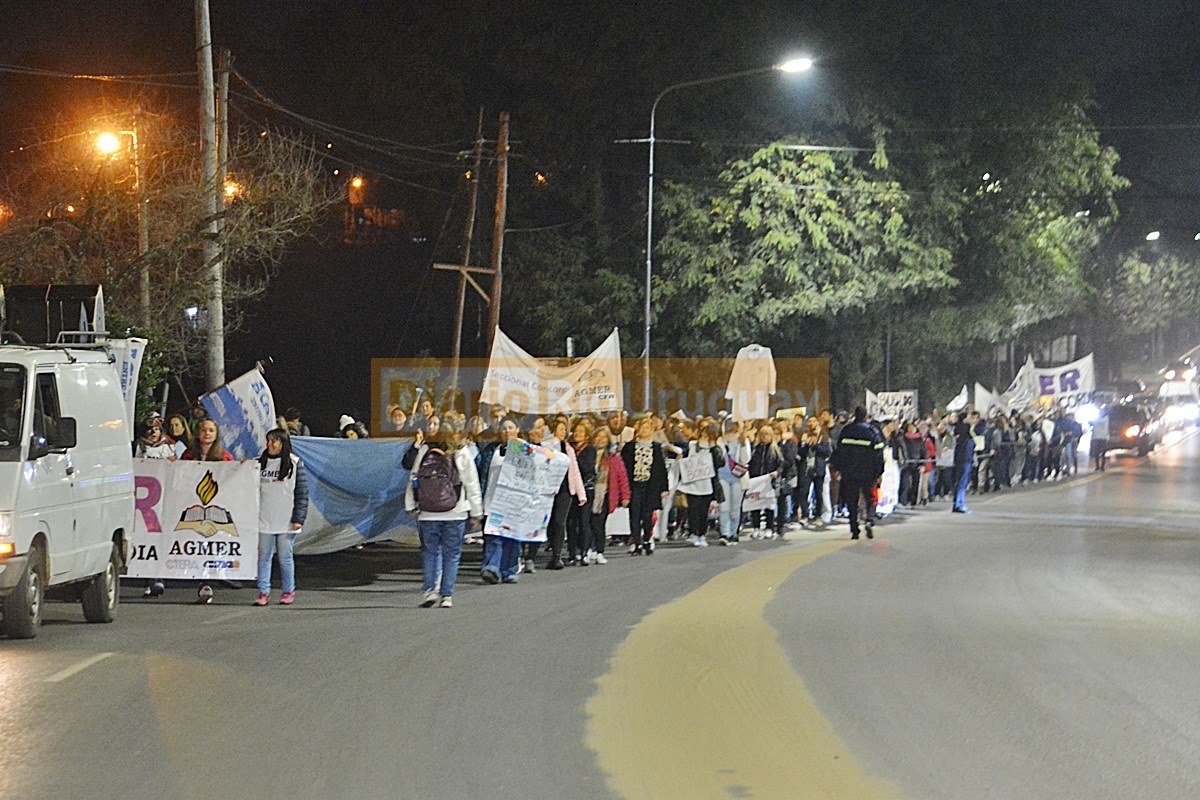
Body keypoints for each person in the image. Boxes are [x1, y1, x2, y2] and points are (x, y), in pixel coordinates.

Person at [405, 415, 483, 608]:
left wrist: (410, 504)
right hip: (455, 510)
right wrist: (476, 512)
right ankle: (446, 595)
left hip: (428, 512)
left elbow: (413, 478)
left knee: (430, 552)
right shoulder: (460, 450)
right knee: (452, 553)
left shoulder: (425, 449)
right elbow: (471, 482)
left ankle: (430, 590)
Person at [254, 429, 309, 606]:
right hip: (264, 520)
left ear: (283, 443)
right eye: (268, 441)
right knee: (264, 557)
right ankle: (263, 592)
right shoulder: (258, 464)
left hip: (286, 522)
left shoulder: (294, 463)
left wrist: (298, 518)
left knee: (285, 557)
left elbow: (302, 493)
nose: (270, 445)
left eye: (274, 441)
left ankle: (288, 590)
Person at [829, 406, 885, 539]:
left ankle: (854, 529)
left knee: (851, 501)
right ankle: (870, 520)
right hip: (868, 473)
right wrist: (879, 472)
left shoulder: (846, 430)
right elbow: (879, 454)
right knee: (871, 498)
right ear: (865, 416)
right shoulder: (873, 432)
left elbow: (839, 451)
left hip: (849, 473)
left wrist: (837, 468)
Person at [478, 417, 523, 584]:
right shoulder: (491, 450)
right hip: (492, 500)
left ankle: (508, 570)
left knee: (511, 537)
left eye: (511, 427)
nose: (507, 431)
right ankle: (491, 568)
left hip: (514, 501)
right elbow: (483, 473)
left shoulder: (525, 451)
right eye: (504, 428)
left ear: (517, 429)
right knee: (493, 536)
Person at [621, 416, 668, 555]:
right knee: (634, 514)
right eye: (641, 427)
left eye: (647, 428)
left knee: (647, 515)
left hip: (650, 486)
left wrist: (664, 488)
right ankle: (636, 542)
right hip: (634, 485)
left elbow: (661, 469)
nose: (644, 430)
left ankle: (647, 538)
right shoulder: (629, 447)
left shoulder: (656, 448)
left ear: (652, 430)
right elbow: (624, 468)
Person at [678, 423, 724, 547]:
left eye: (707, 436)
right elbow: (684, 460)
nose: (703, 438)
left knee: (703, 512)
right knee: (693, 511)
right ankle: (693, 533)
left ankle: (702, 534)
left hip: (707, 486)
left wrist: (714, 447)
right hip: (692, 485)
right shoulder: (692, 446)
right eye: (702, 435)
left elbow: (721, 463)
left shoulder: (715, 449)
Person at [587, 427, 628, 565]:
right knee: (587, 524)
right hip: (588, 493)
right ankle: (587, 549)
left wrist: (625, 496)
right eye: (598, 436)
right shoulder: (587, 454)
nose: (600, 440)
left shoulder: (613, 458)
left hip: (604, 495)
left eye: (604, 437)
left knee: (598, 524)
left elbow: (622, 477)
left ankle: (599, 551)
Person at [716, 419, 750, 544]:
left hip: (738, 477)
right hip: (723, 476)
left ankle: (733, 532)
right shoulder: (720, 440)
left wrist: (742, 444)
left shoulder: (743, 441)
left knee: (735, 507)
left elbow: (746, 459)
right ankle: (724, 533)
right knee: (724, 506)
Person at [567, 419, 596, 565]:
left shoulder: (590, 449)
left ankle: (584, 551)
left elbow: (587, 467)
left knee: (584, 521)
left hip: (586, 488)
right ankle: (573, 553)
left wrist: (572, 461)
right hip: (571, 489)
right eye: (576, 431)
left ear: (586, 436)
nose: (577, 434)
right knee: (571, 522)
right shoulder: (568, 448)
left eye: (581, 432)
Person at [747, 424, 784, 539]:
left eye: (767, 434)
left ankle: (769, 528)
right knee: (755, 505)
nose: (764, 436)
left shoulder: (775, 449)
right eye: (762, 434)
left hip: (769, 481)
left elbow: (781, 464)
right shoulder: (755, 448)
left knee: (769, 505)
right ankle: (756, 528)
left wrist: (777, 472)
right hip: (756, 480)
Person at [951, 411, 978, 513]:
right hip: (964, 459)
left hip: (962, 458)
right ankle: (959, 504)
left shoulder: (960, 429)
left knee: (960, 482)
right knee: (962, 482)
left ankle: (957, 504)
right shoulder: (965, 430)